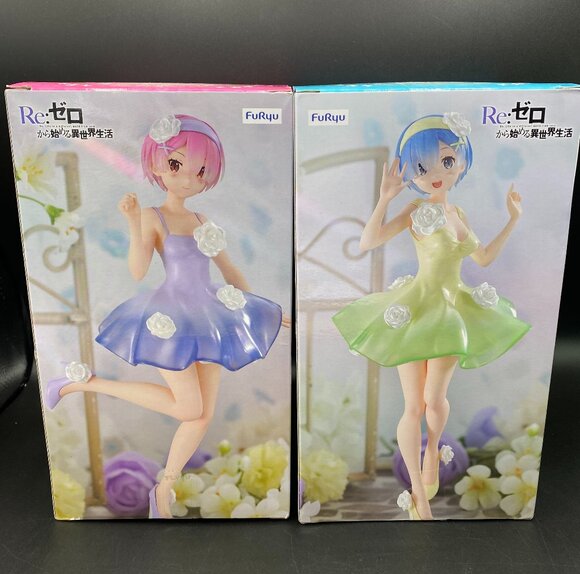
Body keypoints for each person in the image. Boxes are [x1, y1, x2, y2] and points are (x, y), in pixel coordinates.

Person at [45, 113, 289, 518]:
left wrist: (263, 311)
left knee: (202, 416)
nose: (189, 178)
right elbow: (138, 270)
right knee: (189, 409)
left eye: (201, 171)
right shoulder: (153, 216)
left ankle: (163, 492)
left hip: (211, 316)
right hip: (171, 317)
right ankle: (82, 384)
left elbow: (229, 270)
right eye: (177, 165)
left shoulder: (202, 220)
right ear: (157, 164)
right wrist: (132, 223)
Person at [333, 113, 529, 520]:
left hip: (452, 309)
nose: (436, 174)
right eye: (422, 167)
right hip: (415, 308)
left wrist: (513, 219)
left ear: (461, 161)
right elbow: (368, 241)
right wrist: (385, 198)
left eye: (447, 161)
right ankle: (419, 495)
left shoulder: (459, 213)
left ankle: (431, 453)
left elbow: (483, 258)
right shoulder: (414, 209)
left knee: (434, 399)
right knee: (413, 406)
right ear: (412, 173)